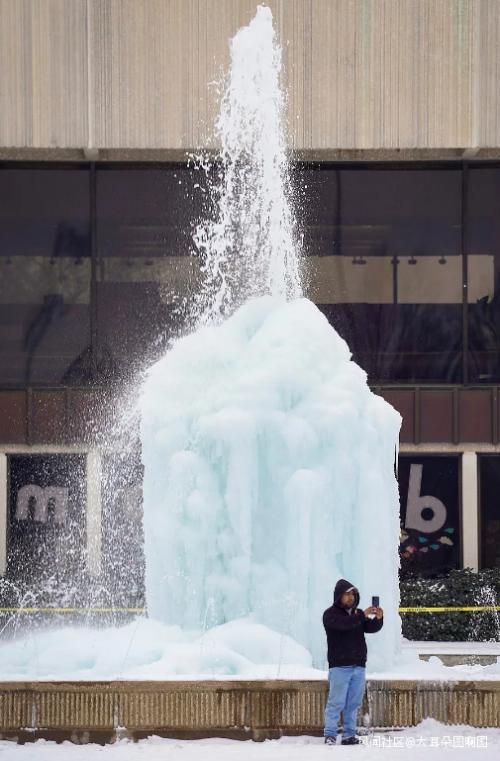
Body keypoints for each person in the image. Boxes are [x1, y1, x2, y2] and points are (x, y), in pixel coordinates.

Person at [323, 578, 384, 745]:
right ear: (338, 596)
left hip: (358, 666)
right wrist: (362, 616)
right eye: (346, 594)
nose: (350, 598)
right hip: (340, 666)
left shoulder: (357, 614)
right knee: (335, 702)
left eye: (353, 595)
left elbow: (371, 628)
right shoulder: (330, 614)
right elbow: (344, 625)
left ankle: (349, 735)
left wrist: (378, 619)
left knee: (353, 703)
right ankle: (330, 734)